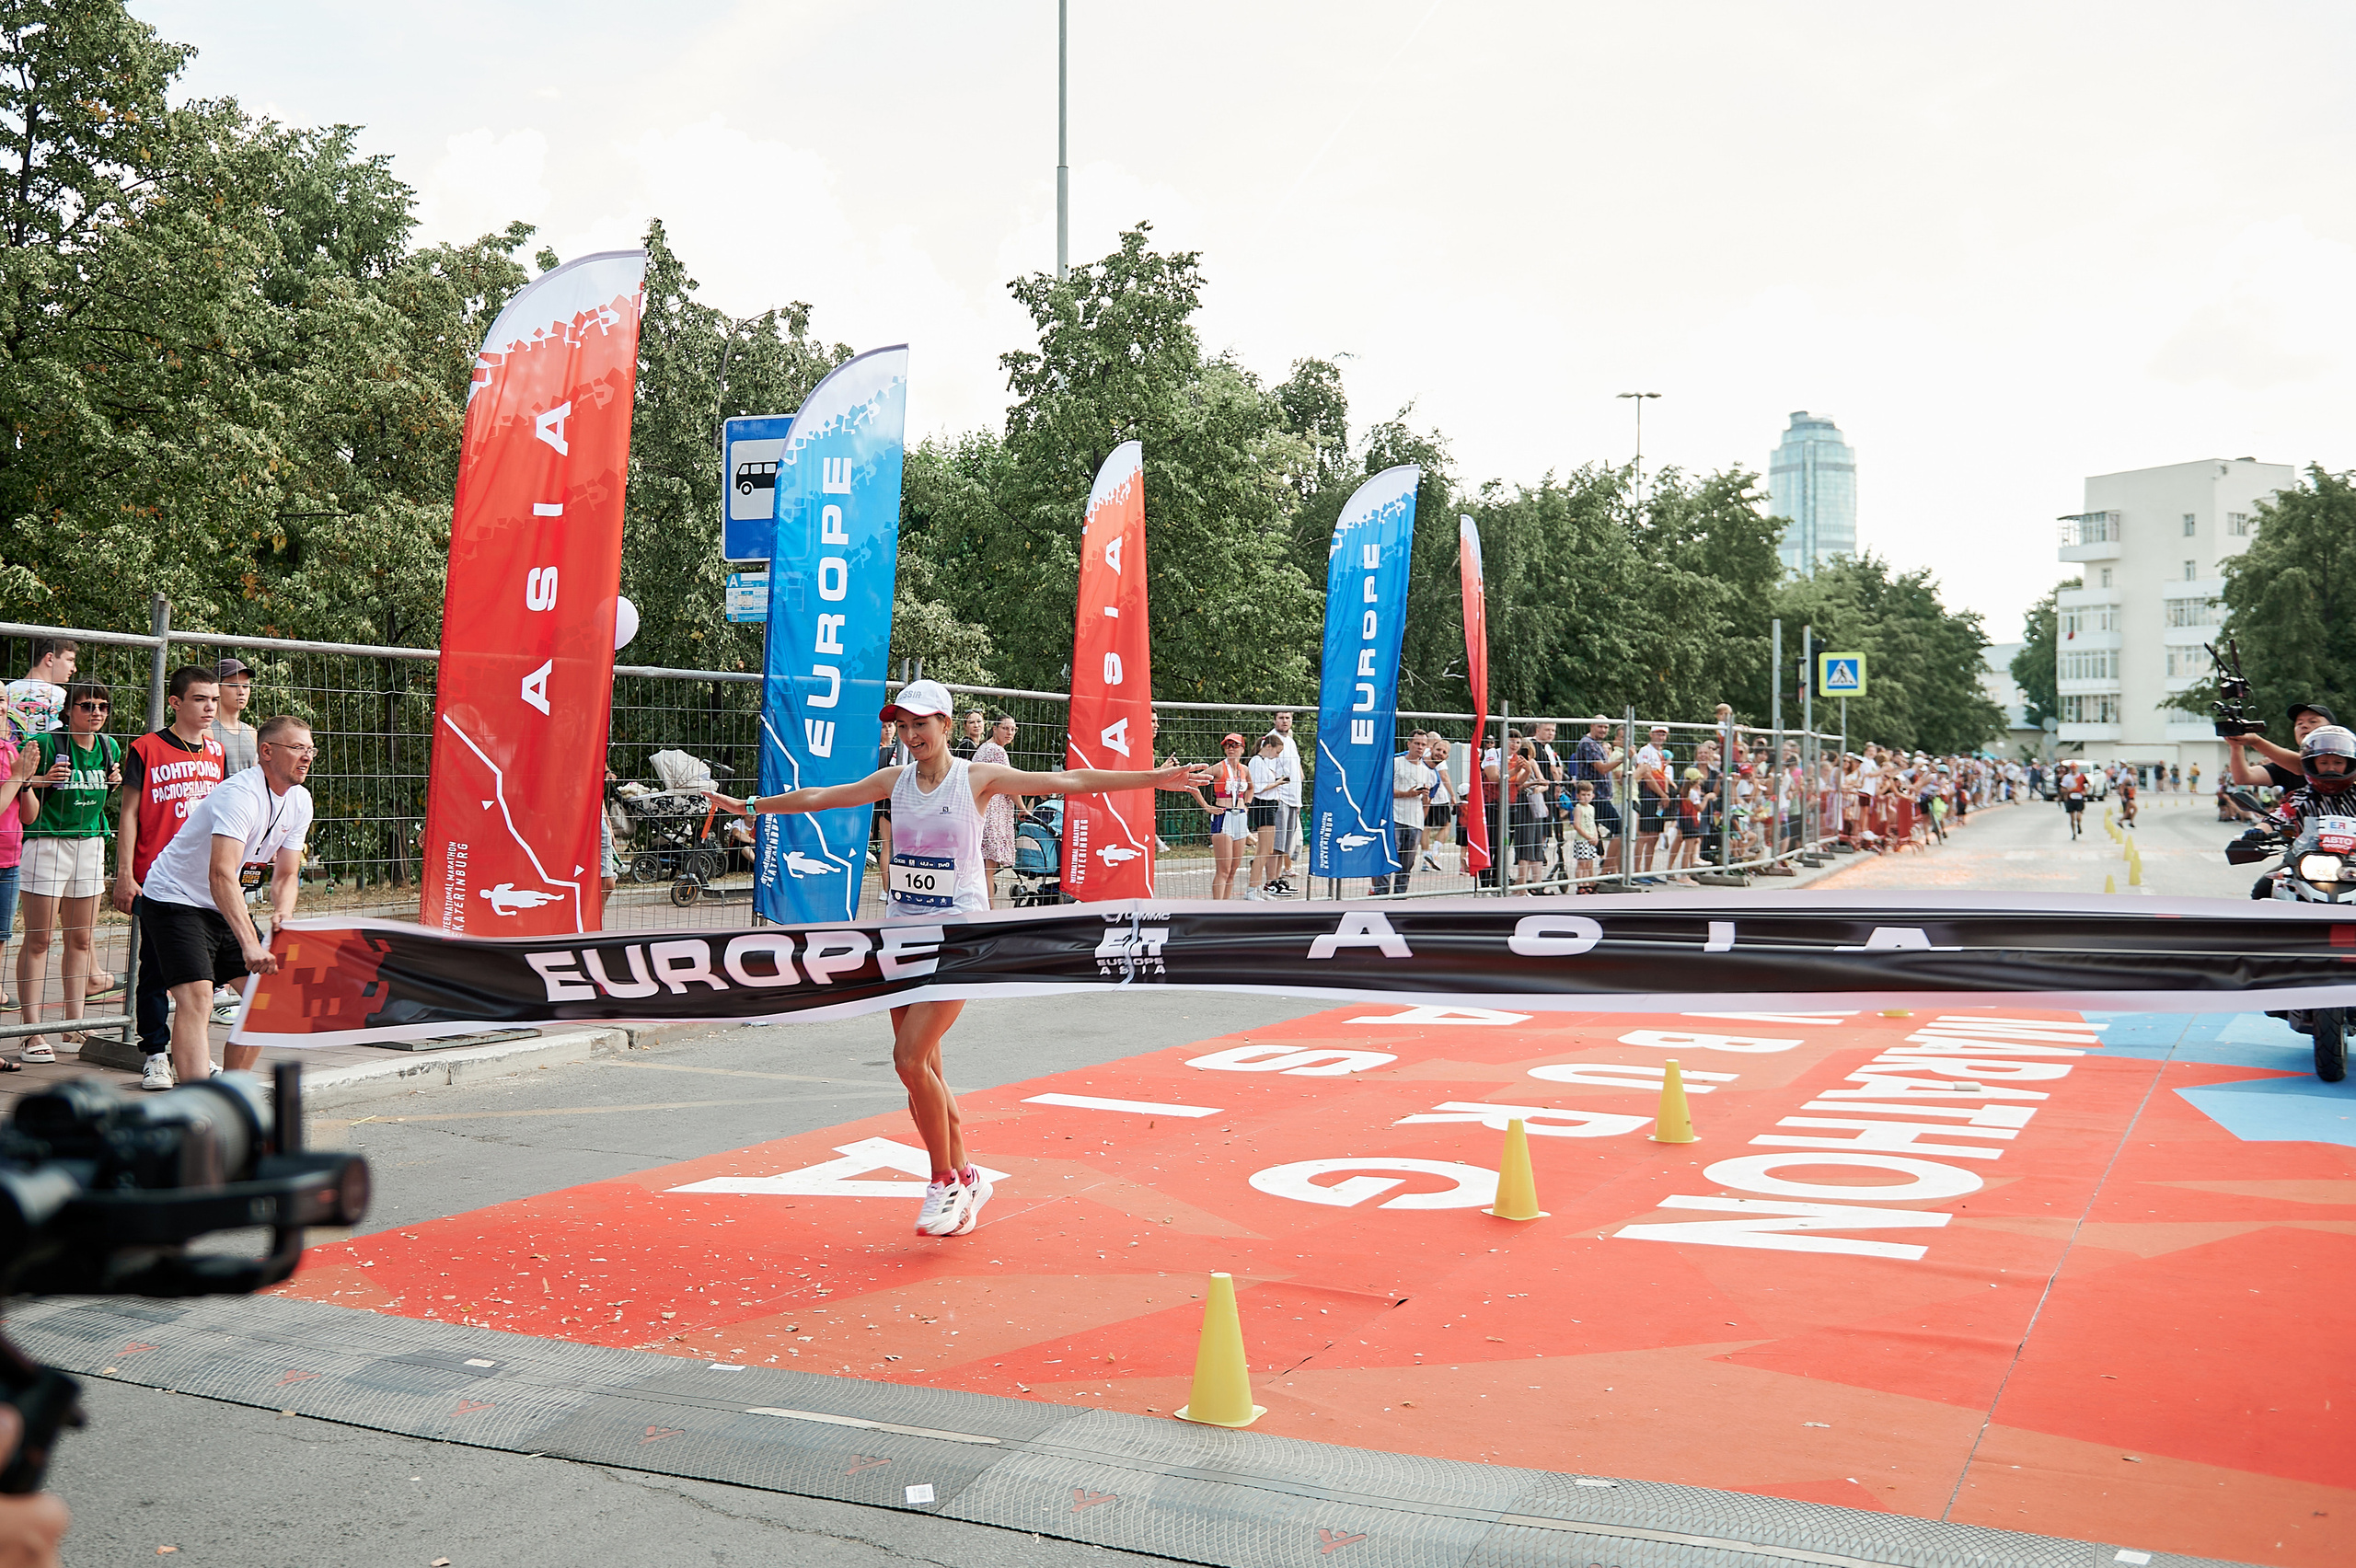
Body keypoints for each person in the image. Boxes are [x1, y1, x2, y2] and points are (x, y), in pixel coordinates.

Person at [706, 678, 1207, 1239]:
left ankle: (945, 1181)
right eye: (902, 726)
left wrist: (1157, 778)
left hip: (962, 938)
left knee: (909, 1058)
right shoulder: (893, 780)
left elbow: (1070, 780)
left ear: (946, 724)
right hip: (901, 937)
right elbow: (822, 797)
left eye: (921, 724)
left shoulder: (978, 777)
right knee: (926, 1070)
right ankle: (967, 1174)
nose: (911, 735)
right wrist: (750, 805)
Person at [133, 714, 317, 1082]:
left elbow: (286, 873)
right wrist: (251, 944)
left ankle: (230, 1092)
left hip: (223, 902)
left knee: (265, 999)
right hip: (175, 897)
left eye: (310, 749)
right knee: (197, 998)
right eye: (297, 748)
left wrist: (283, 914)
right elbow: (220, 874)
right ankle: (198, 1102)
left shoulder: (300, 800)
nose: (307, 756)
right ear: (266, 752)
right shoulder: (239, 796)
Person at [113, 667, 226, 1090]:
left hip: (200, 881)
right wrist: (125, 873)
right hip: (156, 878)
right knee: (158, 968)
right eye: (200, 699)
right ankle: (156, 1053)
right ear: (176, 702)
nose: (209, 707)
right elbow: (129, 814)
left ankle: (191, 1052)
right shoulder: (146, 748)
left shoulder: (216, 752)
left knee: (198, 970)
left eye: (214, 699)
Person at [9, 682, 119, 1065]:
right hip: (48, 841)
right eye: (87, 705)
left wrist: (114, 780)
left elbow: (102, 788)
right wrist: (42, 780)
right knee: (39, 939)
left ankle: (74, 1022)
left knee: (82, 939)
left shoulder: (108, 747)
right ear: (68, 710)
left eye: (103, 706)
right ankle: (31, 1029)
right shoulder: (45, 743)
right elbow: (25, 795)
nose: (96, 713)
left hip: (90, 841)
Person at [1189, 733, 1255, 900]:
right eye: (1228, 746)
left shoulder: (1244, 770)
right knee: (1223, 869)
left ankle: (1227, 908)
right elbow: (1192, 782)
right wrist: (1206, 806)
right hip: (1223, 816)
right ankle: (1216, 908)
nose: (1231, 749)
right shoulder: (1219, 768)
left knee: (1233, 869)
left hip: (1239, 816)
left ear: (1242, 749)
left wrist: (1246, 804)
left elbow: (1251, 788)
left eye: (1235, 745)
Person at [1373, 732, 1430, 896]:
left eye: (1423, 745)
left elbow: (1427, 802)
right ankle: (1381, 895)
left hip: (1415, 820)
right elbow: (1384, 789)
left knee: (1407, 863)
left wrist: (1425, 797)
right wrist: (1407, 794)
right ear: (1409, 744)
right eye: (1417, 743)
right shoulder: (1396, 763)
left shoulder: (1426, 771)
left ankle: (1400, 896)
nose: (1419, 747)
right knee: (1388, 857)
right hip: (1395, 817)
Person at [973, 713, 1021, 907]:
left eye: (1013, 729)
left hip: (981, 812)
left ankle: (983, 906)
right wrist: (1023, 808)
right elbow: (1011, 784)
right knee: (988, 870)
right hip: (992, 816)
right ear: (994, 728)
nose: (1010, 732)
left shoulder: (984, 748)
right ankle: (989, 910)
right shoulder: (997, 752)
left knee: (982, 867)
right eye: (1006, 728)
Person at [3, 638, 76, 742]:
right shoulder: (58, 695)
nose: (74, 669)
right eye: (70, 660)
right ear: (50, 658)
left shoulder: (7, 690)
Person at [1245, 732, 1290, 900]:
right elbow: (1258, 787)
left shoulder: (1263, 763)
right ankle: (1252, 889)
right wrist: (1279, 783)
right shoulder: (1256, 761)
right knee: (1263, 850)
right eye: (1277, 752)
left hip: (1270, 804)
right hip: (1263, 805)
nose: (1277, 756)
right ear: (1269, 747)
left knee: (1267, 850)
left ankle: (1257, 888)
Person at [1267, 710, 1303, 895]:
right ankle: (1270, 882)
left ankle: (1278, 880)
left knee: (1285, 845)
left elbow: (1297, 770)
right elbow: (1269, 770)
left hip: (1293, 798)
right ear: (1275, 720)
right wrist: (1277, 793)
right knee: (1276, 844)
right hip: (1280, 797)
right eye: (1281, 718)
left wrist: (1298, 800)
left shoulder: (1290, 740)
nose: (1284, 721)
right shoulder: (1271, 740)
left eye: (1288, 718)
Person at [210, 657, 260, 775]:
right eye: (233, 685)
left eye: (246, 686)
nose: (241, 691)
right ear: (217, 688)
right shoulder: (205, 731)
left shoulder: (252, 733)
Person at [1568, 778, 1601, 891]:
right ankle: (1580, 885)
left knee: (1589, 863)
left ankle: (1588, 883)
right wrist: (1588, 837)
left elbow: (1593, 824)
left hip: (1591, 839)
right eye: (1583, 795)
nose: (1586, 797)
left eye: (1588, 794)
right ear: (1577, 795)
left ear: (1593, 795)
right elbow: (1577, 825)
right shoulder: (1578, 808)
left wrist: (1595, 837)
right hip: (1582, 839)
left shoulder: (1591, 808)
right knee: (1582, 864)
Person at [2062, 764, 2088, 838]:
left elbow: (2087, 785)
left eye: (2075, 768)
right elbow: (2062, 788)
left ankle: (2079, 825)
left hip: (2079, 798)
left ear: (2077, 768)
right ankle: (2074, 833)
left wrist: (2085, 792)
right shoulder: (2066, 777)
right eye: (2072, 768)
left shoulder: (2082, 776)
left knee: (2078, 817)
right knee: (2072, 818)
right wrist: (2066, 793)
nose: (2073, 770)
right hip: (2070, 798)